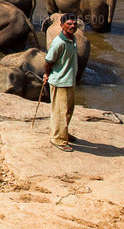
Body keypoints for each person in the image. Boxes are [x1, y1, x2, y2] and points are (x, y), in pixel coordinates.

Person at [43, 14, 80, 151]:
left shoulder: (72, 39)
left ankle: (63, 132)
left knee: (68, 110)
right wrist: (47, 74)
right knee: (60, 111)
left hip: (69, 80)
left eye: (74, 24)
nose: (72, 26)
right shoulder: (59, 42)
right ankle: (58, 139)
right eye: (69, 24)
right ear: (62, 25)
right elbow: (48, 61)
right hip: (60, 81)